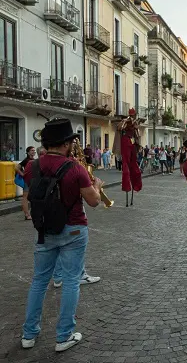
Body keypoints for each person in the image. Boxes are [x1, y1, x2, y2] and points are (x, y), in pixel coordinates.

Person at [21, 118, 104, 352]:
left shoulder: (31, 167)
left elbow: (33, 190)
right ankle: (64, 336)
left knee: (38, 281)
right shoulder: (75, 168)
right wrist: (95, 185)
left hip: (44, 229)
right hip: (74, 228)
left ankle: (29, 334)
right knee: (70, 282)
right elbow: (94, 202)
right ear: (66, 143)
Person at [16, 146, 36, 220]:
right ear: (28, 152)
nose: (33, 152)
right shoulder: (26, 160)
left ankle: (31, 213)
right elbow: (16, 167)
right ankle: (27, 214)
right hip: (27, 181)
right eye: (32, 150)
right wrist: (22, 174)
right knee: (25, 197)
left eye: (34, 150)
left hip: (33, 181)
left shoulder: (34, 160)